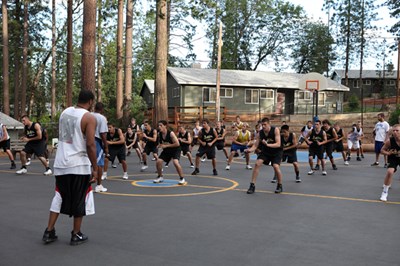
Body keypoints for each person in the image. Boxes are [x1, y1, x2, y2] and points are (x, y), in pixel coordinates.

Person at [42, 89, 97, 246]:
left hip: (61, 163)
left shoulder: (65, 112)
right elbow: (90, 144)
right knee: (80, 198)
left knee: (59, 196)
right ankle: (76, 234)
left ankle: (49, 231)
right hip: (79, 164)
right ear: (90, 102)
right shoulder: (89, 117)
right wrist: (95, 167)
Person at [246, 117, 283, 194]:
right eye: (262, 125)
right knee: (257, 164)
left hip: (276, 151)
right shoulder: (260, 133)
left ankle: (279, 185)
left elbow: (278, 144)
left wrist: (268, 144)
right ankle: (252, 185)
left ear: (269, 124)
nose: (263, 126)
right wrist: (250, 150)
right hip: (266, 151)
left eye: (265, 125)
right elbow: (255, 145)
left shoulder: (275, 130)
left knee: (276, 166)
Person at [154, 120, 186, 185]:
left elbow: (177, 144)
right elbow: (162, 143)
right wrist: (159, 146)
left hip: (175, 149)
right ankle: (160, 177)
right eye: (158, 125)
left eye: (161, 125)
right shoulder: (159, 134)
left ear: (165, 126)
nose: (159, 127)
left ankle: (182, 178)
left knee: (175, 162)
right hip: (167, 150)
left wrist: (166, 146)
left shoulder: (171, 133)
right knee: (158, 161)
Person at [379, 124, 400, 202]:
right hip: (393, 158)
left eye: (397, 130)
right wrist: (388, 153)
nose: (395, 132)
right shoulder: (390, 141)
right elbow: (382, 150)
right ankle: (385, 192)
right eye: (393, 130)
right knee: (390, 172)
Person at [92, 102, 109, 193]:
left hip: (87, 140)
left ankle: (85, 184)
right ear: (102, 109)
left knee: (88, 163)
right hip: (96, 141)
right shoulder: (102, 118)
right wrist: (106, 146)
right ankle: (99, 185)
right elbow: (102, 133)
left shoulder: (89, 115)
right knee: (99, 164)